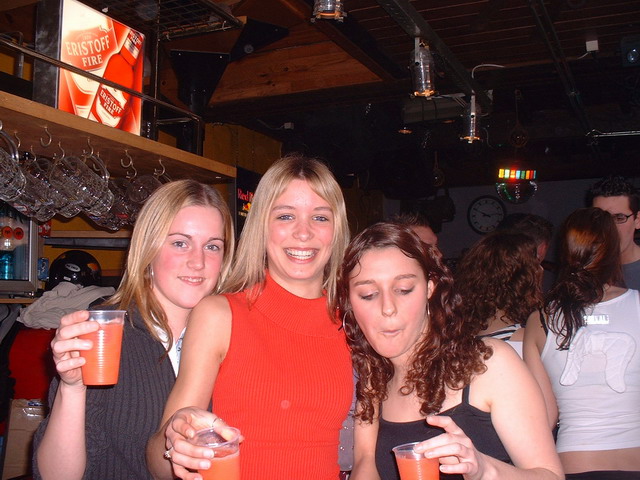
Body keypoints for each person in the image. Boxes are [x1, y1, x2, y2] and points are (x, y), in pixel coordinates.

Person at [147, 154, 353, 480]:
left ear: (336, 229)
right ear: (262, 225)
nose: (303, 232)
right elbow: (159, 463)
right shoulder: (219, 315)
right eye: (285, 216)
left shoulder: (354, 323)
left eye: (320, 217)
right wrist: (176, 441)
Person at [32, 179, 235, 480]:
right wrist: (72, 388)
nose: (198, 261)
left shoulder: (235, 333)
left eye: (212, 246)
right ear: (148, 248)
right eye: (180, 243)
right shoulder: (103, 332)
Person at [335, 222, 564, 480]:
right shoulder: (373, 380)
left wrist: (483, 468)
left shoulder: (488, 364)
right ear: (350, 302)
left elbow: (550, 476)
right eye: (368, 294)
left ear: (430, 289)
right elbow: (365, 465)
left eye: (404, 289)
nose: (388, 307)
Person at [524, 207, 640, 479]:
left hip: (575, 462)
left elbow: (544, 417)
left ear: (566, 252)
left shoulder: (540, 319)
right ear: (613, 250)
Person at [455, 230, 543, 357]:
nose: (541, 269)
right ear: (522, 278)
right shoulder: (526, 339)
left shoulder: (466, 336)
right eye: (536, 263)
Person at [588, 175, 640, 290]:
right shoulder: (586, 271)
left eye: (619, 218)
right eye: (600, 218)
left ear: (637, 220)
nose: (609, 227)